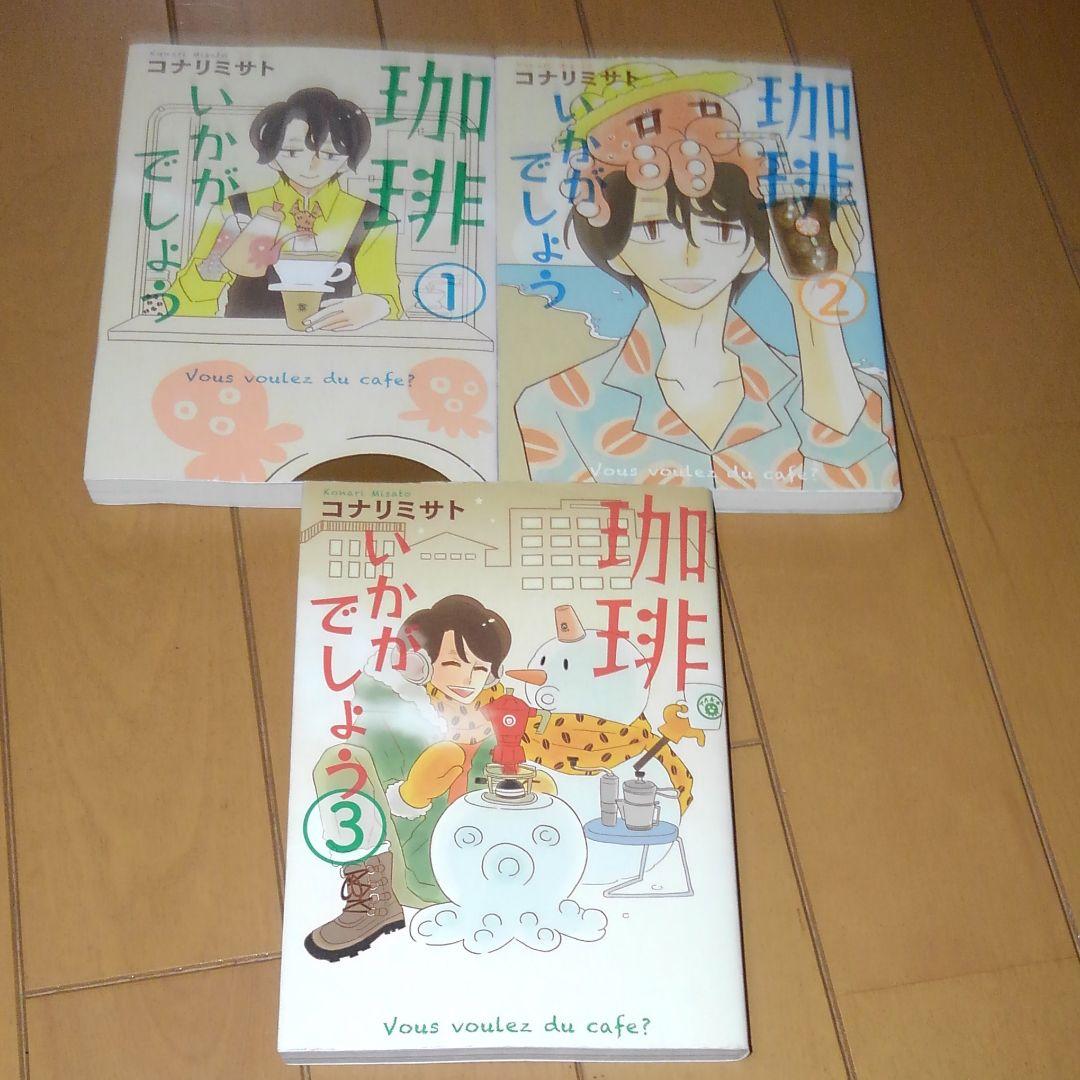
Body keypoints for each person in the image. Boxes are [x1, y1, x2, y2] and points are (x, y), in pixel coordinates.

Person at [515, 64, 898, 496]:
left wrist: (815, 316)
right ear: (616, 248)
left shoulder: (850, 392)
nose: (691, 254)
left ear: (756, 249)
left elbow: (866, 486)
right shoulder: (557, 405)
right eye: (653, 229)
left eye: (723, 230)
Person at [172, 87, 402, 331]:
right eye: (292, 152)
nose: (311, 165)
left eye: (329, 154)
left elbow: (389, 300)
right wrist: (218, 258)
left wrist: (379, 306)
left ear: (347, 161)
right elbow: (187, 304)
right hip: (244, 342)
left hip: (331, 346)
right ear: (272, 156)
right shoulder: (236, 209)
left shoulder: (372, 218)